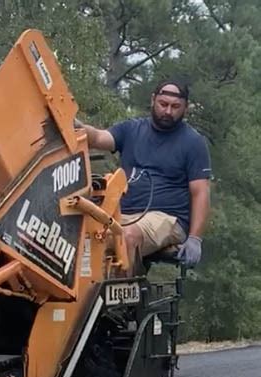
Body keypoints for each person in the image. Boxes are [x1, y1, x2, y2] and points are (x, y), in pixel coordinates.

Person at [77, 78, 211, 274]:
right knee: (81, 236)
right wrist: (72, 124)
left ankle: (120, 299)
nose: (168, 111)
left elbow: (200, 192)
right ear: (153, 100)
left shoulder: (193, 142)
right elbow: (97, 137)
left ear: (185, 108)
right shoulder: (131, 130)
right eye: (163, 104)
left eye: (175, 107)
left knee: (127, 237)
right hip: (121, 213)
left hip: (167, 218)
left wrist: (195, 238)